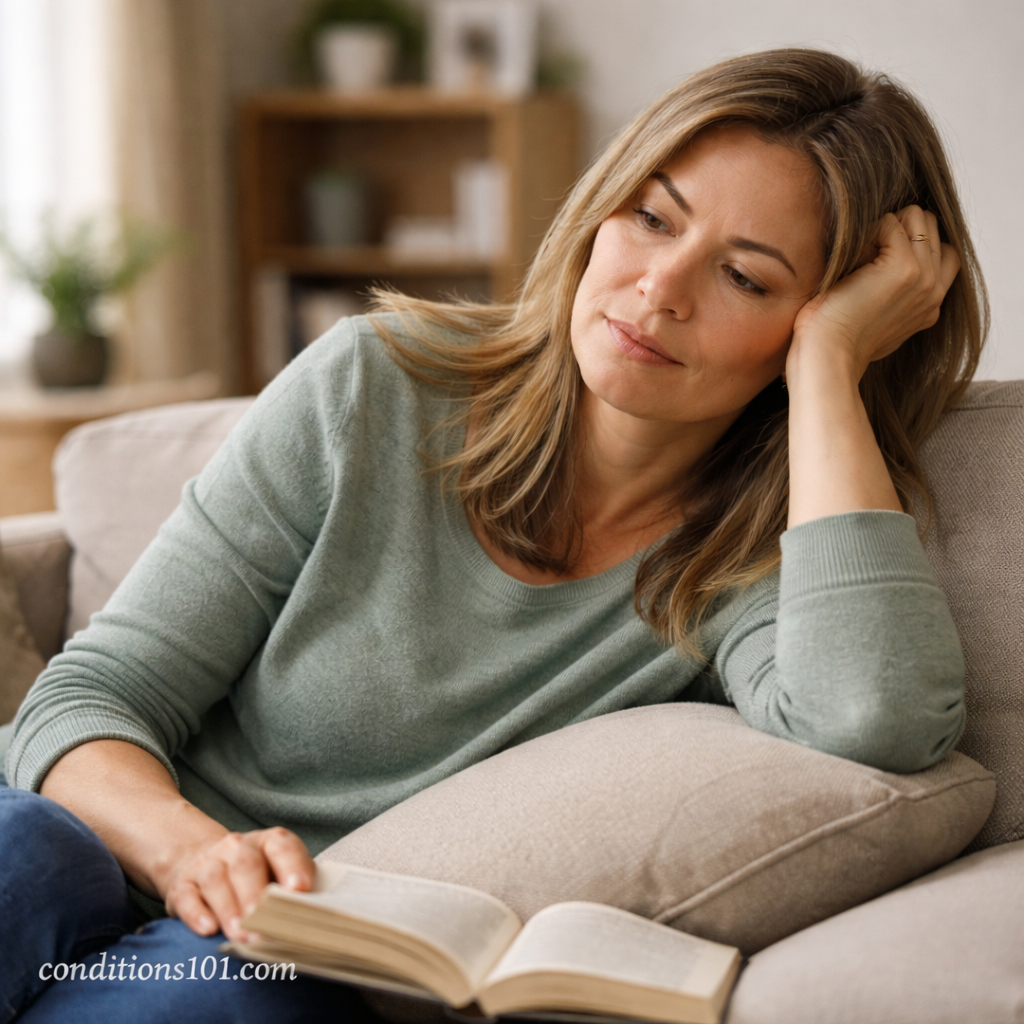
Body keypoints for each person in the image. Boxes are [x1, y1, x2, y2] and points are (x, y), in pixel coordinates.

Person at [1, 47, 986, 1023]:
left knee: (213, 1002)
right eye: (651, 217)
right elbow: (89, 694)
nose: (658, 288)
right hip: (111, 837)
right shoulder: (373, 384)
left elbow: (876, 717)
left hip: (266, 951)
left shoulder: (754, 563)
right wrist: (188, 851)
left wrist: (827, 366)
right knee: (31, 858)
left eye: (744, 277)